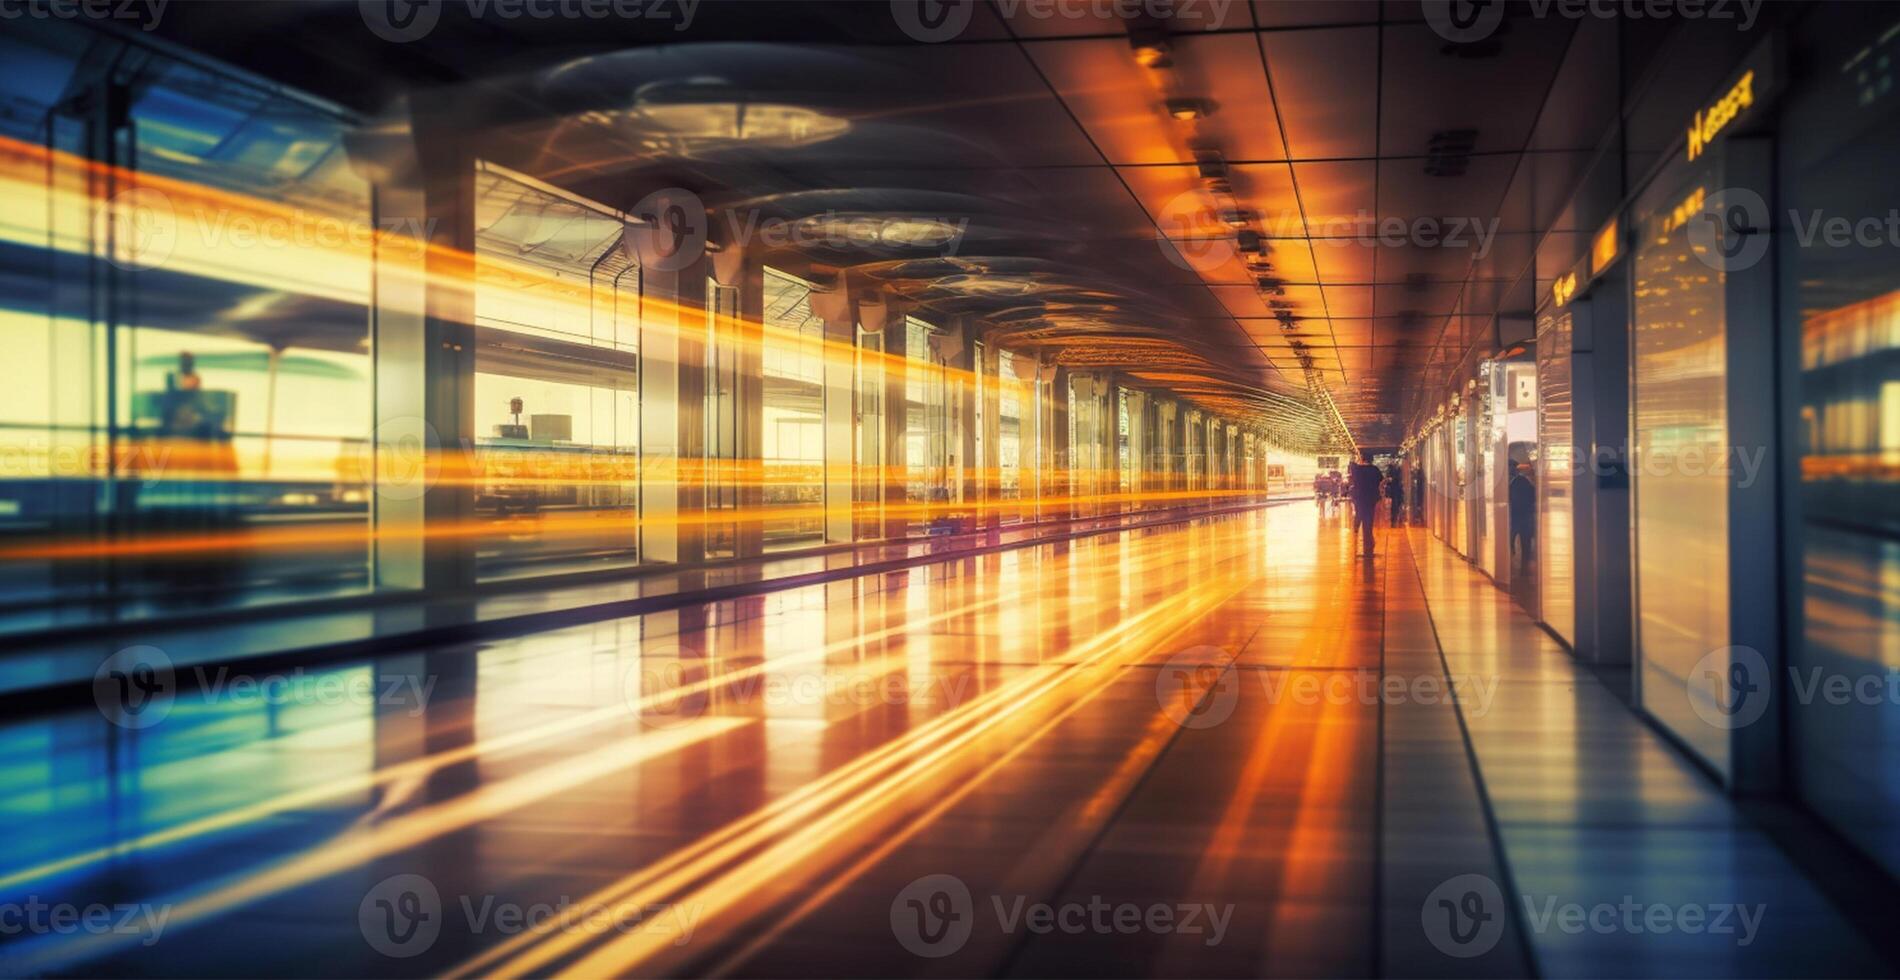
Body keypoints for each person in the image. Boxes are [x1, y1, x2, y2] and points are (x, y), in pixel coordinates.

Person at [1345, 451, 1383, 557]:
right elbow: (1380, 480)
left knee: (1360, 514)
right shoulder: (1375, 469)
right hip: (1371, 498)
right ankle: (1368, 541)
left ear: (1362, 459)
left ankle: (1358, 527)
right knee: (1369, 520)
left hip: (1360, 498)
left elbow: (1352, 468)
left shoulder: (1357, 470)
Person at [1384, 463, 1405, 527]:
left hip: (1393, 492)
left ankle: (1394, 520)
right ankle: (1397, 519)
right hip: (1397, 492)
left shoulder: (1391, 474)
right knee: (1396, 506)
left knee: (1394, 506)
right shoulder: (1398, 475)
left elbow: (1388, 481)